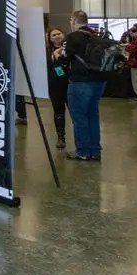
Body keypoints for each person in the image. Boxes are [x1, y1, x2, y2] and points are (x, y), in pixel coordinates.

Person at [54, 10, 106, 161]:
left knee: (79, 117)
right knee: (92, 115)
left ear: (73, 21)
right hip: (98, 81)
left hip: (79, 82)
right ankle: (95, 150)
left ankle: (82, 150)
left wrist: (57, 57)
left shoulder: (72, 37)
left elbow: (64, 61)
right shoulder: (96, 36)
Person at [46, 27, 69, 149]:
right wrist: (55, 58)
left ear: (63, 34)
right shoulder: (47, 52)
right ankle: (61, 137)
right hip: (55, 86)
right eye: (53, 35)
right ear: (50, 39)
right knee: (58, 112)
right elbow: (58, 71)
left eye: (59, 33)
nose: (57, 36)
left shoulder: (69, 48)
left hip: (70, 85)